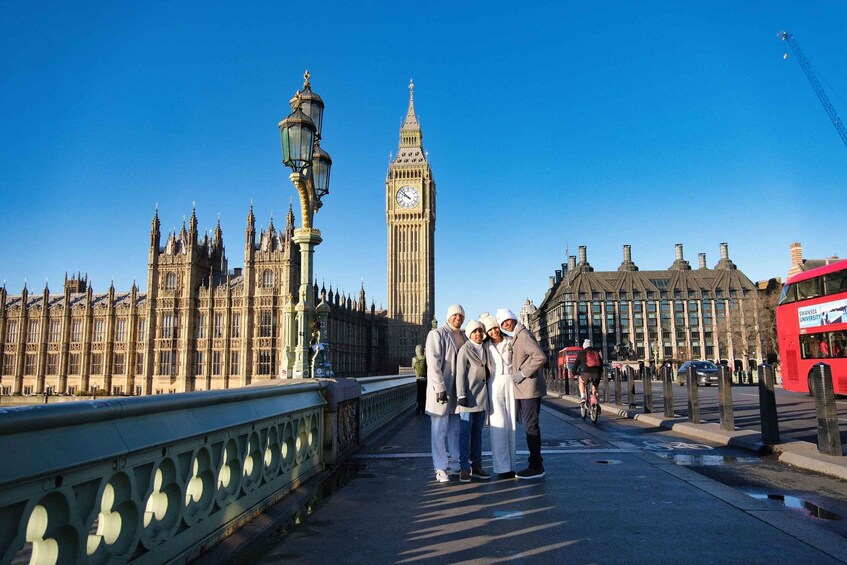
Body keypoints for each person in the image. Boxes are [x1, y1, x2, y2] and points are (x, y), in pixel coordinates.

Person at [497, 308, 547, 479]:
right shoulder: (515, 336)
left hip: (529, 389)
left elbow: (540, 357)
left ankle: (536, 466)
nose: (505, 324)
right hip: (523, 389)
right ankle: (535, 462)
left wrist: (523, 373)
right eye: (502, 323)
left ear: (513, 318)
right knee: (529, 426)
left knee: (531, 426)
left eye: (507, 321)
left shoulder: (524, 335)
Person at [425, 304, 466, 483]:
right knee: (439, 430)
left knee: (456, 430)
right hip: (441, 391)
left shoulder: (464, 336)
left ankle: (456, 463)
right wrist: (439, 387)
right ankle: (440, 467)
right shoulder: (437, 334)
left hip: (458, 391)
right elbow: (433, 363)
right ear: (448, 316)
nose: (458, 317)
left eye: (461, 315)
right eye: (455, 315)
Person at [455, 320, 491, 482]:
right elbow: (460, 374)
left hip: (481, 398)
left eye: (480, 331)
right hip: (468, 399)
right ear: (470, 334)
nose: (478, 334)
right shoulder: (465, 350)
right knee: (465, 434)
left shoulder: (485, 349)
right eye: (475, 331)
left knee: (477, 434)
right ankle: (464, 467)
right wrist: (461, 395)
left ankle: (477, 465)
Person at [482, 313, 517, 480]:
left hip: (511, 382)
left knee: (511, 426)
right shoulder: (485, 346)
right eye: (489, 330)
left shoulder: (511, 341)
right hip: (494, 384)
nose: (494, 331)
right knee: (498, 426)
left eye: (495, 328)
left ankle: (511, 466)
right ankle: (501, 468)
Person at [574, 339, 604, 405]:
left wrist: (574, 373)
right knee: (595, 388)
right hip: (597, 374)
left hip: (586, 374)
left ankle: (583, 397)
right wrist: (600, 373)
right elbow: (601, 364)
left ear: (584, 346)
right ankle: (596, 402)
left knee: (581, 381)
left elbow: (576, 365)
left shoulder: (581, 353)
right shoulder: (596, 352)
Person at [413, 345, 427, 415]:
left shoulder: (414, 359)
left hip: (418, 379)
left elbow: (413, 368)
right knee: (424, 394)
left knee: (419, 394)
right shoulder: (425, 358)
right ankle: (423, 409)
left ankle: (418, 409)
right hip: (425, 379)